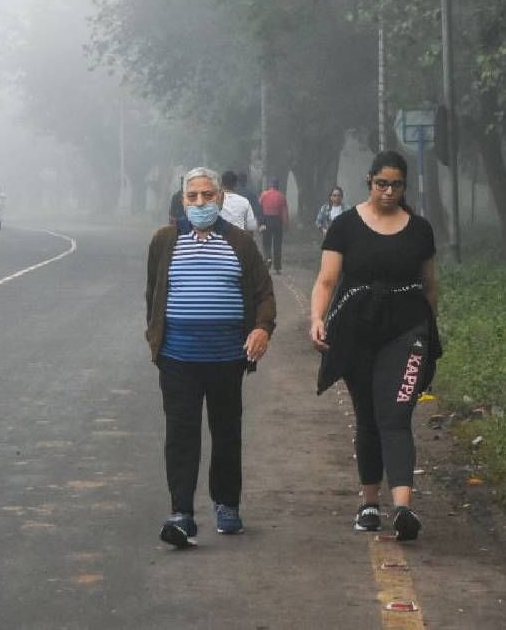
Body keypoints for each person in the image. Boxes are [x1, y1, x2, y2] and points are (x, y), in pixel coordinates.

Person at [308, 150, 441, 541]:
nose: (388, 191)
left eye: (395, 184)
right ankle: (369, 503)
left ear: (404, 186)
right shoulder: (346, 226)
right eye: (381, 183)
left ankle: (403, 508)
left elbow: (430, 285)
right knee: (367, 415)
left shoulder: (419, 229)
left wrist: (428, 330)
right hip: (356, 332)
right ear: (369, 182)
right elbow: (327, 280)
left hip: (407, 332)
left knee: (396, 414)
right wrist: (317, 318)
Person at [146, 167, 276, 548]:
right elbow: (153, 294)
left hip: (225, 358)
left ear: (220, 199)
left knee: (226, 431)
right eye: (193, 197)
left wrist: (261, 329)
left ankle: (227, 504)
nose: (200, 203)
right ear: (182, 200)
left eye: (207, 196)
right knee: (181, 434)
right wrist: (154, 337)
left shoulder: (240, 243)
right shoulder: (164, 241)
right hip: (177, 358)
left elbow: (263, 294)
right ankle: (182, 514)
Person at [258, 178, 289, 274]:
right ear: (278, 186)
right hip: (277, 221)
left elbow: (259, 208)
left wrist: (260, 223)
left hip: (266, 220)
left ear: (270, 185)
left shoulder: (264, 194)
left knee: (266, 242)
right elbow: (284, 212)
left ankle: (268, 258)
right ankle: (277, 267)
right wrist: (286, 224)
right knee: (277, 244)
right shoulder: (281, 196)